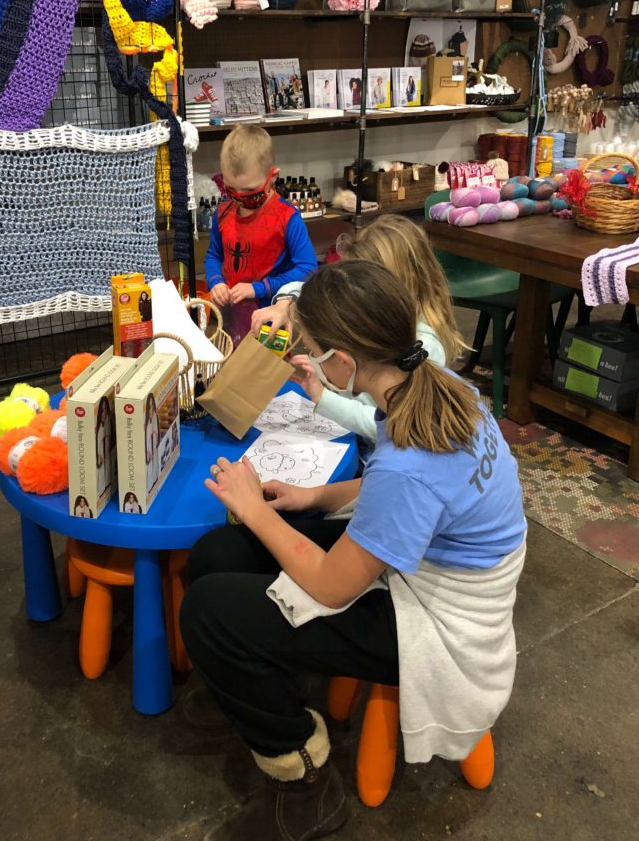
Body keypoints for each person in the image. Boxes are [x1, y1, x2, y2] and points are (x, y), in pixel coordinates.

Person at [180, 261, 527, 841]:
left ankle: (305, 782)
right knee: (219, 554)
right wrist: (316, 495)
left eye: (312, 350)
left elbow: (333, 584)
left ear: (342, 362)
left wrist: (257, 508)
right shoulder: (437, 389)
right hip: (424, 573)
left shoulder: (411, 458)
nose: (307, 361)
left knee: (208, 611)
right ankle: (260, 693)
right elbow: (407, 494)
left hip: (442, 627)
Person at [252, 214, 467, 449]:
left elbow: (391, 426)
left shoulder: (424, 347)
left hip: (378, 449)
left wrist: (324, 399)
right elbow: (312, 290)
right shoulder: (373, 307)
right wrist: (285, 303)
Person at [204, 125, 317, 345]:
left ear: (272, 176)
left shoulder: (286, 217)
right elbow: (214, 255)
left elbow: (307, 269)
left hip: (269, 319)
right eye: (230, 191)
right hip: (230, 317)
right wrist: (215, 280)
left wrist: (258, 288)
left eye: (249, 193)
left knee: (269, 375)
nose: (239, 200)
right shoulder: (224, 212)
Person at [95, 396, 113, 501]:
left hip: (107, 455)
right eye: (102, 411)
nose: (104, 414)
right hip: (100, 458)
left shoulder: (108, 423)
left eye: (106, 411)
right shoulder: (98, 429)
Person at [145, 393, 160, 493]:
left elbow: (156, 432)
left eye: (152, 406)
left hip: (154, 447)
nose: (151, 410)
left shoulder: (154, 417)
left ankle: (154, 481)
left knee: (154, 464)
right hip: (148, 451)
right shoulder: (146, 424)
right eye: (149, 407)